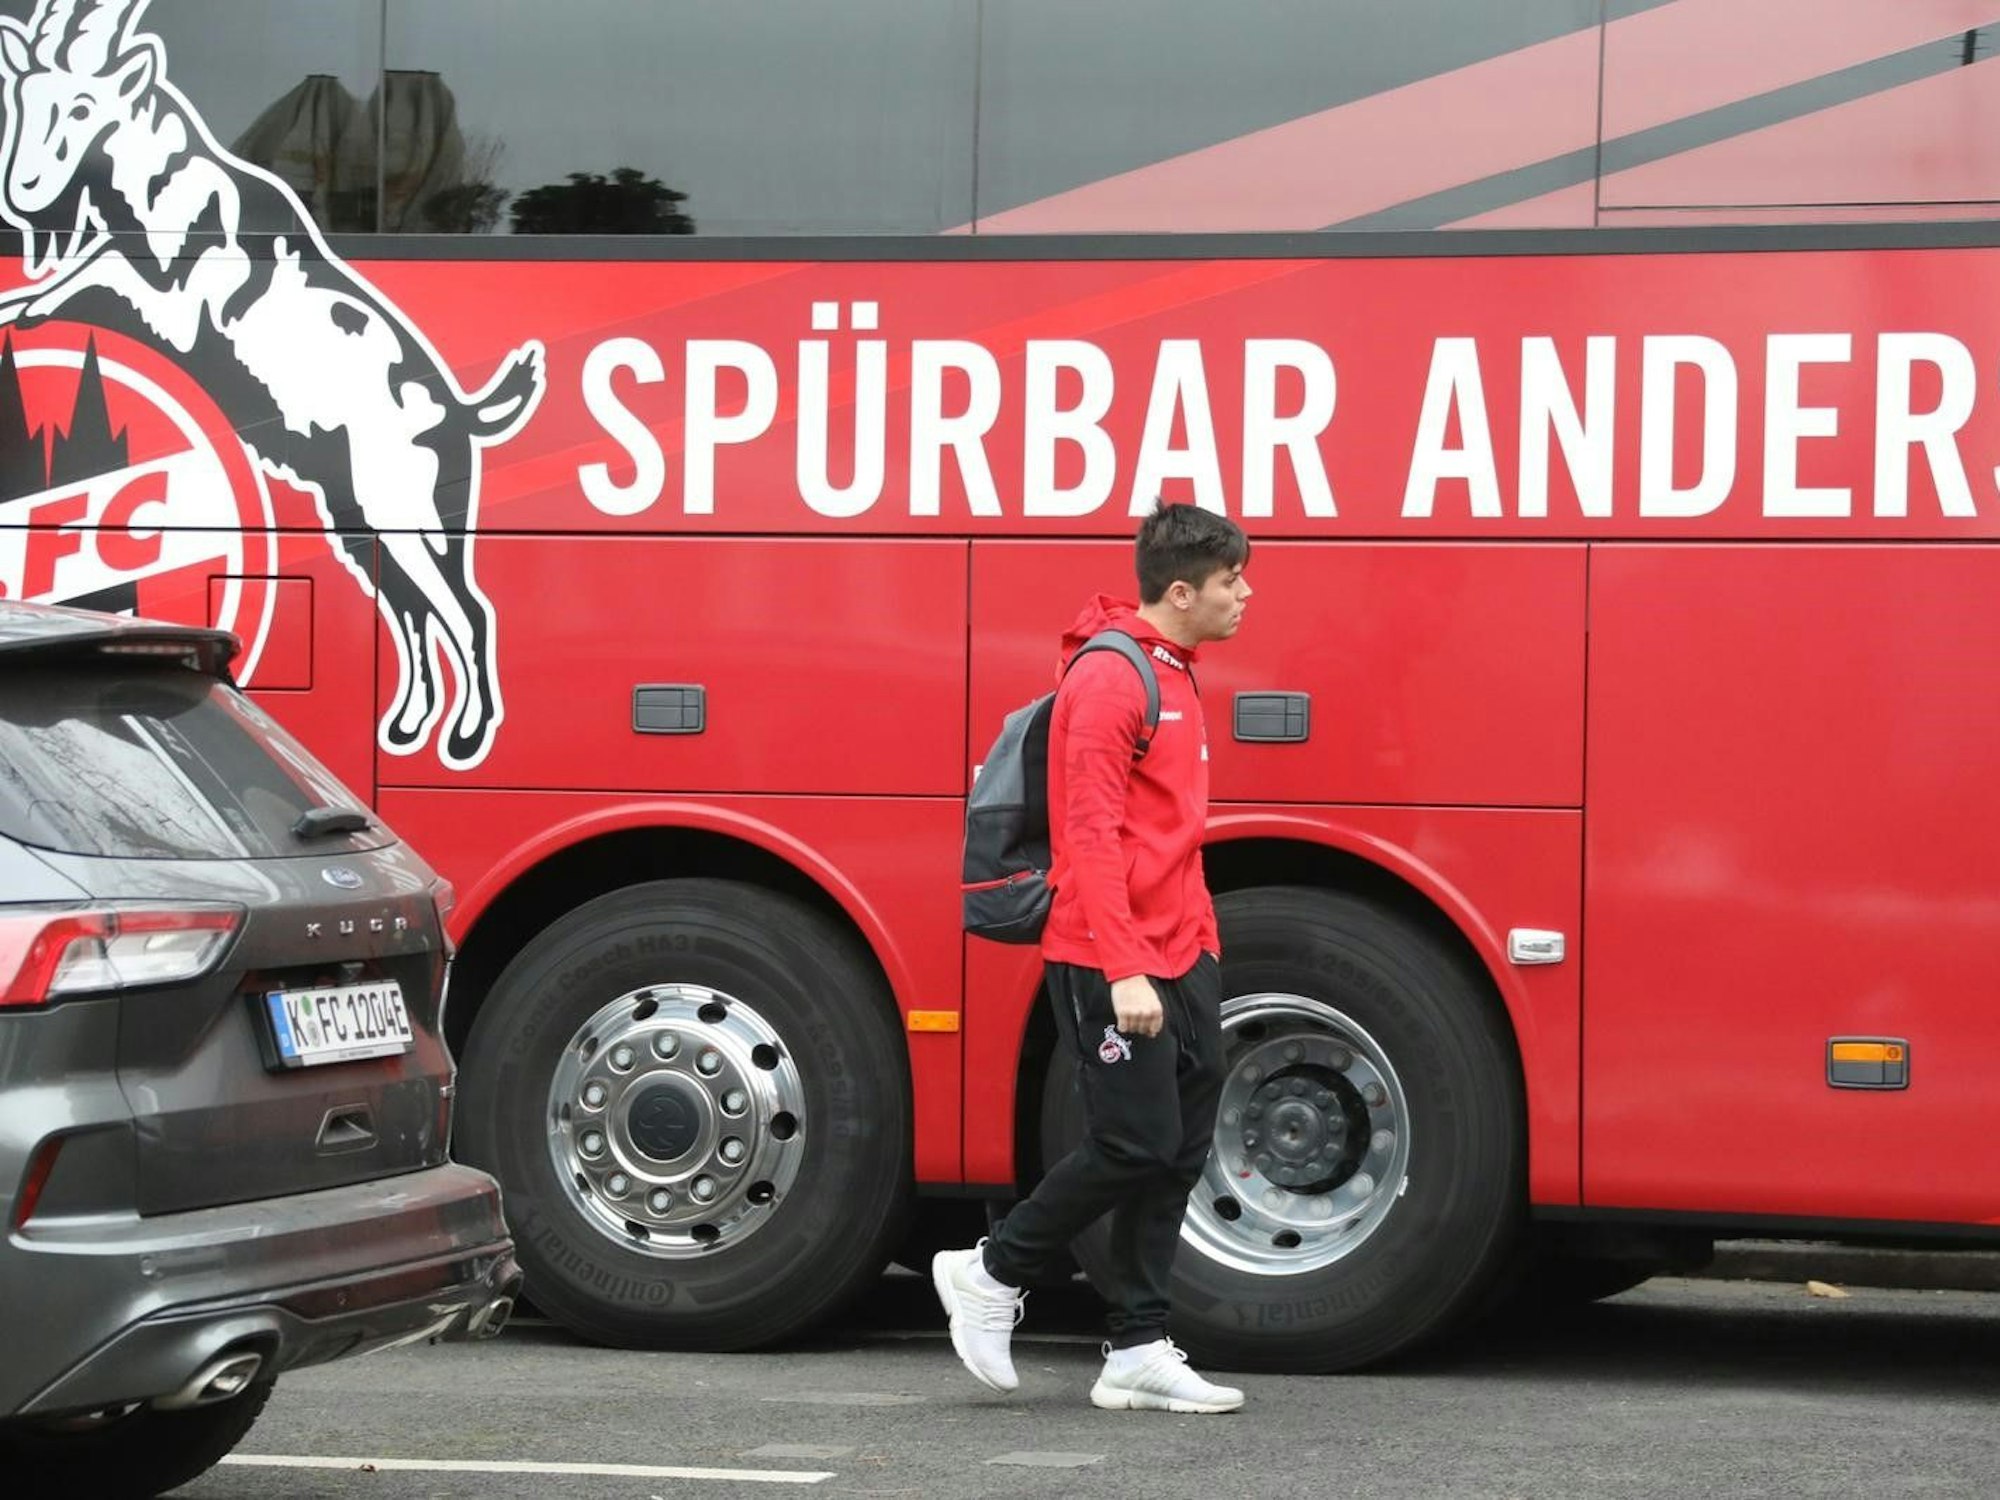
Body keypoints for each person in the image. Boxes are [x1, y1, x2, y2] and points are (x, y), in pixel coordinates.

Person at [935, 500, 1252, 1414]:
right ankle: (990, 1272)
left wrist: (1198, 947)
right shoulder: (1113, 678)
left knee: (1178, 1150)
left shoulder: (1176, 671)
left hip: (1181, 949)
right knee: (1133, 1140)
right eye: (1231, 580)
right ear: (1181, 592)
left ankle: (1138, 1348)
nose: (1244, 595)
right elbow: (1091, 837)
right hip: (1111, 953)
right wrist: (1124, 967)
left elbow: (1171, 836)